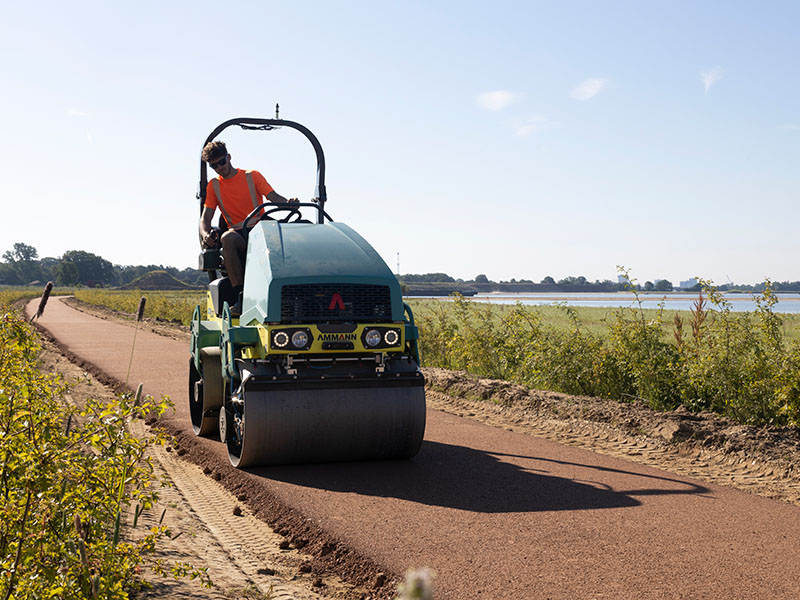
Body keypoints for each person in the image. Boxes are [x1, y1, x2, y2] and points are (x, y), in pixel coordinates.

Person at [198, 140, 294, 309]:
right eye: (214, 166)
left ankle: (288, 295)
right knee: (227, 238)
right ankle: (241, 297)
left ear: (229, 157)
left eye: (222, 162)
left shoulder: (252, 176)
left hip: (261, 230)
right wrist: (206, 234)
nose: (220, 168)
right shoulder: (214, 186)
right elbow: (205, 219)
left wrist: (288, 202)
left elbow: (273, 197)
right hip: (238, 234)